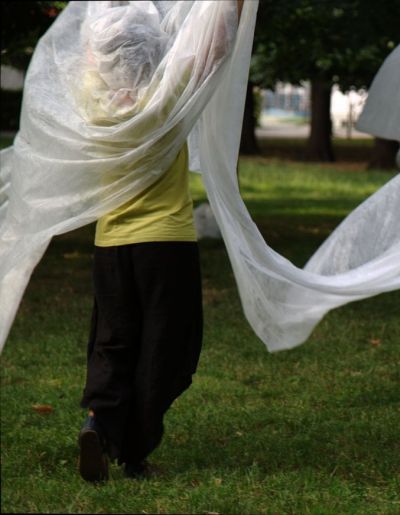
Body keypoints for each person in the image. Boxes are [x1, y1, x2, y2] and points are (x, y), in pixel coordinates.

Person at [77, 0, 243, 482]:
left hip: (111, 245)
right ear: (155, 50)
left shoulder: (90, 99)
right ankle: (135, 452)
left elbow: (94, 44)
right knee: (165, 348)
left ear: (99, 56)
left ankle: (98, 423)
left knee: (113, 341)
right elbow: (215, 44)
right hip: (167, 244)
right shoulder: (167, 96)